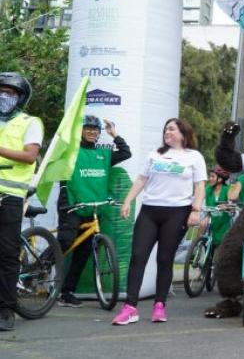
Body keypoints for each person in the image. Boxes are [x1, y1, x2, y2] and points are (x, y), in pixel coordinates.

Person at [112, 118, 207, 325]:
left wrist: (196, 210)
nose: (167, 132)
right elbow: (141, 179)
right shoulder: (154, 154)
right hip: (149, 211)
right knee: (138, 256)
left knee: (164, 259)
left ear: (183, 133)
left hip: (177, 213)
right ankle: (130, 307)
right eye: (165, 129)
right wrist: (127, 201)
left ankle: (159, 305)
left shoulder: (194, 157)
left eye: (171, 129)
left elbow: (200, 186)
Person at [56, 115, 132, 308]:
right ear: (80, 131)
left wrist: (114, 134)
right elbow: (60, 174)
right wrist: (65, 202)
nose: (91, 131)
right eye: (87, 128)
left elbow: (126, 153)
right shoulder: (71, 153)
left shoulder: (103, 154)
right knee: (65, 241)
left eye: (95, 129)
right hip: (72, 206)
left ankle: (66, 293)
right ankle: (40, 269)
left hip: (93, 209)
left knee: (83, 253)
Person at [0, 72, 42, 331]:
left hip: (10, 197)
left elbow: (30, 156)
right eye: (1, 91)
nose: (4, 96)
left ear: (20, 98)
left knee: (6, 253)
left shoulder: (30, 122)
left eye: (10, 93)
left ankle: (6, 309)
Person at [202, 165, 233, 249]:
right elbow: (200, 197)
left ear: (220, 179)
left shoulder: (227, 189)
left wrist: (226, 206)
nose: (209, 179)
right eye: (209, 176)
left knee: (221, 246)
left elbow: (231, 202)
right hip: (211, 218)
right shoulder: (208, 189)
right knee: (202, 224)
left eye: (212, 176)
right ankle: (198, 245)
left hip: (223, 223)